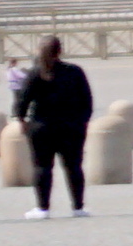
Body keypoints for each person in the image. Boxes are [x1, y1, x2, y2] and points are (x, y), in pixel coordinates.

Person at [16, 38, 92, 218]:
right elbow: (87, 100)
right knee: (74, 166)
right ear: (60, 51)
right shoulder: (74, 71)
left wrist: (21, 119)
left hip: (41, 125)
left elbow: (22, 100)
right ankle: (78, 207)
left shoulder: (35, 73)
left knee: (42, 167)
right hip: (71, 125)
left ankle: (43, 208)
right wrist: (83, 121)